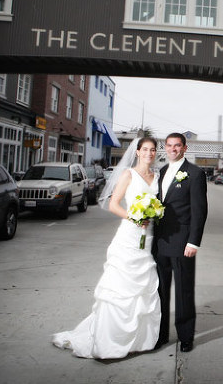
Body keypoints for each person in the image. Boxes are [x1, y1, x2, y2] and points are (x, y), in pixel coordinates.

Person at [52, 137, 161, 359]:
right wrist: (134, 217)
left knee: (143, 288)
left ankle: (138, 340)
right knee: (120, 287)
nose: (149, 153)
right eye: (145, 149)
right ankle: (109, 341)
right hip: (130, 235)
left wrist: (154, 213)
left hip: (148, 238)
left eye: (153, 150)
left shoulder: (156, 176)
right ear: (138, 152)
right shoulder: (128, 174)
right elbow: (112, 204)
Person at [155, 132, 208, 353]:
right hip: (160, 242)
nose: (173, 149)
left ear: (185, 148)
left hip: (182, 243)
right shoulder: (163, 171)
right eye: (169, 145)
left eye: (177, 146)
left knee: (184, 291)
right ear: (165, 148)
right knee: (160, 292)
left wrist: (193, 242)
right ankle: (161, 334)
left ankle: (186, 337)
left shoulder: (195, 174)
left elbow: (200, 211)